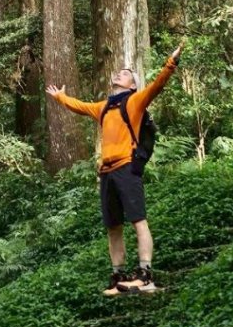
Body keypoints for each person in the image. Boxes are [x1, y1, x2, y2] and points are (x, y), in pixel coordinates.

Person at [46, 45, 182, 296]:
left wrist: (171, 63)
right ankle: (118, 276)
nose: (119, 73)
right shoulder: (104, 107)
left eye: (126, 73)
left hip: (127, 168)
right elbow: (80, 106)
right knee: (113, 226)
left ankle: (145, 275)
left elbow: (157, 86)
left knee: (138, 220)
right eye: (119, 72)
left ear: (133, 85)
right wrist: (61, 98)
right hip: (107, 172)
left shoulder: (135, 101)